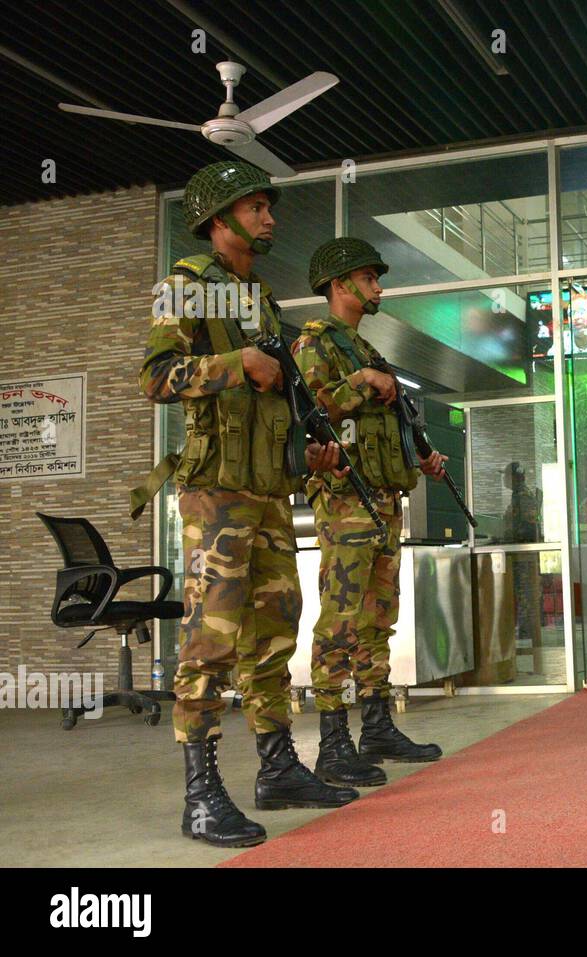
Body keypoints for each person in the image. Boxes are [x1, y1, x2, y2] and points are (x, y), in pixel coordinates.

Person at [135, 161, 359, 848]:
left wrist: (309, 450)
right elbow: (155, 377)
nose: (270, 219)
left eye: (268, 207)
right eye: (257, 207)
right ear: (218, 216)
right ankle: (201, 794)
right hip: (216, 496)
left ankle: (276, 765)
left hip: (265, 493)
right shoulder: (185, 287)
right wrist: (234, 365)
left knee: (274, 631)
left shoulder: (258, 297)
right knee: (210, 640)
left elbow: (275, 402)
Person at [292, 237, 450, 786]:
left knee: (379, 616)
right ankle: (333, 740)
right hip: (343, 499)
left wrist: (423, 457)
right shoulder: (315, 343)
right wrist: (362, 382)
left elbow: (393, 425)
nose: (378, 287)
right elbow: (313, 409)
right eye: (369, 278)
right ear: (340, 285)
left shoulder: (367, 349)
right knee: (339, 618)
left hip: (384, 499)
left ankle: (377, 723)